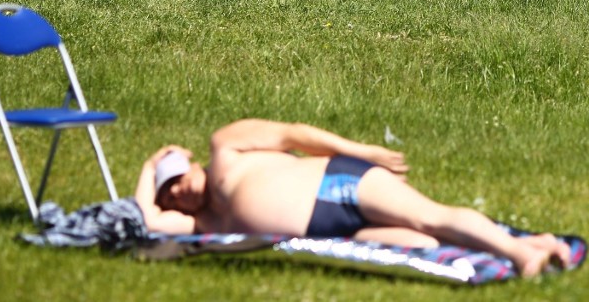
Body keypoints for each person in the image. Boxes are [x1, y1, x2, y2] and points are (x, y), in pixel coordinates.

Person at [134, 118, 570, 278]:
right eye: (169, 193)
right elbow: (146, 223)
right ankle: (541, 244)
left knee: (430, 219)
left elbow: (295, 135)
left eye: (177, 178)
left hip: (336, 183)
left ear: (191, 162)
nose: (179, 191)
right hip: (334, 232)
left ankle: (519, 253)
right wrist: (151, 167)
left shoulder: (224, 147)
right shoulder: (205, 226)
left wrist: (361, 151)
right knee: (425, 244)